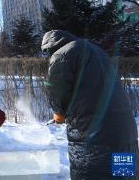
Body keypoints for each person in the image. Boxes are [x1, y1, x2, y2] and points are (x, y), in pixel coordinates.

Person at [42, 30, 139, 180]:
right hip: (125, 133)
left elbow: (57, 89)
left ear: (50, 46)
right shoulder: (97, 51)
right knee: (124, 175)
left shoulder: (61, 54)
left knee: (92, 174)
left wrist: (59, 113)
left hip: (95, 137)